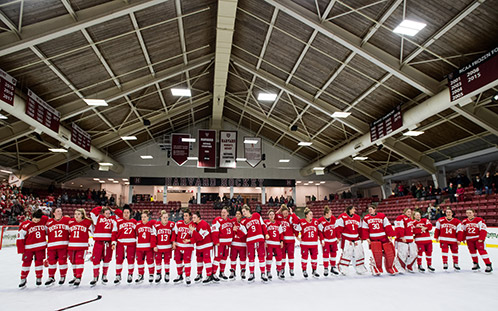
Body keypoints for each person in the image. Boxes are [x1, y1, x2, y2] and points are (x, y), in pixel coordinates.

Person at [361, 205, 397, 275]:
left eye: (371, 209)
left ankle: (390, 267)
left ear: (375, 209)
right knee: (377, 254)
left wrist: (390, 235)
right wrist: (366, 238)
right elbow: (365, 229)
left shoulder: (382, 216)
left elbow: (387, 225)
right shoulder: (366, 218)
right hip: (373, 239)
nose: (370, 211)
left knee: (390, 254)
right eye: (369, 209)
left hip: (383, 238)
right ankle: (376, 268)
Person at [16, 209, 48, 288]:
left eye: (38, 219)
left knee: (39, 263)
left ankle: (39, 277)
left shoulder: (43, 221)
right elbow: (20, 238)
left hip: (40, 247)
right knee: (26, 263)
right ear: (31, 217)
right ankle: (23, 278)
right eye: (34, 219)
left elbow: (45, 217)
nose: (36, 221)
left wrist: (40, 212)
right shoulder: (25, 225)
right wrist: (21, 250)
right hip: (28, 248)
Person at [236, 205, 269, 282]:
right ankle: (251, 273)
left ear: (248, 210)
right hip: (250, 241)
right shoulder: (243, 221)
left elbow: (263, 225)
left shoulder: (256, 215)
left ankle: (263, 273)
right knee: (251, 257)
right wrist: (237, 230)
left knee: (261, 256)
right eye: (242, 212)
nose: (243, 213)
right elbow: (243, 234)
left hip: (259, 239)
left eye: (244, 211)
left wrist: (266, 233)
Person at [90, 205, 118, 286]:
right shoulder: (98, 218)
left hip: (108, 242)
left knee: (107, 259)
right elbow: (92, 212)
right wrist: (101, 207)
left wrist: (113, 242)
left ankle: (104, 275)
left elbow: (119, 215)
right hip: (98, 242)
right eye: (106, 213)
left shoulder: (113, 219)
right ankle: (95, 276)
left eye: (109, 213)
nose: (108, 215)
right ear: (103, 213)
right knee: (96, 259)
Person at [335, 206, 367, 275]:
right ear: (349, 210)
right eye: (353, 209)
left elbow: (360, 228)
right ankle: (342, 267)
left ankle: (359, 267)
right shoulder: (342, 216)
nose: (355, 210)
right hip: (346, 238)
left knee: (358, 253)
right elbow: (338, 227)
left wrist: (361, 237)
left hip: (356, 238)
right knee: (346, 253)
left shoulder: (357, 217)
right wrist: (338, 236)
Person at [45, 206, 71, 286]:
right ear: (54, 213)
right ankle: (51, 277)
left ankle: (62, 276)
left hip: (63, 245)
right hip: (52, 246)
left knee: (62, 262)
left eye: (60, 211)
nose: (60, 212)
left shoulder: (67, 220)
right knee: (51, 262)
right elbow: (45, 232)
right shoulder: (48, 222)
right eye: (58, 211)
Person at [461, 209, 493, 273]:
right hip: (469, 239)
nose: (468, 214)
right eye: (467, 213)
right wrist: (463, 238)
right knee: (472, 252)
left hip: (477, 238)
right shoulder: (464, 221)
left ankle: (488, 264)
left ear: (473, 213)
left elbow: (483, 229)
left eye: (470, 213)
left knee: (482, 251)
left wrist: (481, 238)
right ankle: (475, 263)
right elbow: (463, 230)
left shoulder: (479, 220)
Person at [67, 208, 93, 286]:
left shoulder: (87, 222)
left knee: (79, 261)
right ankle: (75, 276)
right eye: (75, 214)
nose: (76, 216)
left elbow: (93, 231)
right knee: (73, 261)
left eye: (78, 214)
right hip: (71, 245)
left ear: (82, 215)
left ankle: (79, 277)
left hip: (82, 245)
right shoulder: (71, 222)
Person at [113, 205, 137, 284]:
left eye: (127, 212)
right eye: (124, 212)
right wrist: (113, 242)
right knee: (119, 259)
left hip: (131, 243)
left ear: (130, 213)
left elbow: (137, 233)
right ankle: (118, 274)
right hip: (121, 243)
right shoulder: (118, 221)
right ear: (122, 213)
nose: (126, 214)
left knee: (131, 259)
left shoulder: (134, 222)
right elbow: (114, 233)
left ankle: (130, 274)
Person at [191, 211, 216, 284]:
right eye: (192, 217)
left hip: (206, 246)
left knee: (206, 260)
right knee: (199, 260)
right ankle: (199, 274)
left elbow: (200, 237)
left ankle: (209, 275)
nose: (193, 219)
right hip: (199, 247)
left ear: (199, 218)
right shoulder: (195, 224)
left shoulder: (204, 225)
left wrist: (193, 231)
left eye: (194, 217)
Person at [295, 208, 320, 278]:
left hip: (314, 243)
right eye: (310, 214)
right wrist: (297, 236)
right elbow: (296, 229)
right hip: (305, 244)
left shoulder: (315, 221)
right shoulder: (302, 222)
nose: (312, 215)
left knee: (314, 257)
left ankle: (314, 270)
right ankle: (304, 270)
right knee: (304, 257)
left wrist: (319, 236)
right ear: (306, 215)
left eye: (312, 214)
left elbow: (319, 230)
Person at [172, 208, 195, 285]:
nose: (185, 217)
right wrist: (173, 242)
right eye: (184, 215)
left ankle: (187, 276)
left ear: (190, 216)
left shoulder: (192, 225)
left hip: (188, 247)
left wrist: (189, 240)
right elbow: (174, 234)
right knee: (178, 261)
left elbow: (195, 237)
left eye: (186, 216)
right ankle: (179, 275)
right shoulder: (178, 223)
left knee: (187, 262)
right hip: (178, 246)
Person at [275, 204, 299, 276]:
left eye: (286, 213)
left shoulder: (290, 218)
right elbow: (274, 217)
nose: (285, 214)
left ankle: (291, 269)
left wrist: (292, 213)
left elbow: (297, 221)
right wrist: (279, 210)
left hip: (290, 240)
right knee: (283, 256)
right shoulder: (280, 218)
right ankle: (282, 269)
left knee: (291, 256)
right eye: (284, 213)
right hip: (283, 241)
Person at [152, 210, 175, 283]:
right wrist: (154, 245)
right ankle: (158, 274)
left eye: (166, 217)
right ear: (161, 218)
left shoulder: (171, 225)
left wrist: (173, 242)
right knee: (158, 261)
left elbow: (173, 234)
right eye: (164, 217)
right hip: (159, 247)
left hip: (167, 247)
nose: (165, 219)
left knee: (167, 261)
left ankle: (167, 273)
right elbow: (153, 236)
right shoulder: (156, 225)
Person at [211, 207, 234, 280]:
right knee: (218, 257)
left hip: (227, 244)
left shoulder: (229, 221)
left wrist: (230, 241)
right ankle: (213, 273)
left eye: (224, 212)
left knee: (224, 258)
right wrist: (216, 241)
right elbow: (214, 231)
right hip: (219, 243)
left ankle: (222, 272)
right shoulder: (217, 220)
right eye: (222, 212)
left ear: (228, 213)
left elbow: (232, 232)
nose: (223, 214)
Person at [135, 210, 156, 283]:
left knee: (150, 261)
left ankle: (151, 274)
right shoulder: (137, 225)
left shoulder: (151, 224)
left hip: (149, 247)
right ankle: (141, 274)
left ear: (148, 218)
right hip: (139, 247)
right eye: (142, 217)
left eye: (144, 217)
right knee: (140, 262)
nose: (143, 218)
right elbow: (136, 234)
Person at [394, 208, 418, 273]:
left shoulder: (410, 219)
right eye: (408, 212)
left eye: (410, 212)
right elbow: (399, 228)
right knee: (402, 254)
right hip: (402, 240)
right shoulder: (400, 217)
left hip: (410, 239)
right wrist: (402, 236)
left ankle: (409, 266)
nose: (409, 213)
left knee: (414, 253)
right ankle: (399, 267)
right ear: (404, 212)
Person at [318, 206, 339, 276]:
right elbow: (320, 232)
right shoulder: (321, 220)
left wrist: (338, 237)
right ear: (326, 213)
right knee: (326, 254)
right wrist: (322, 240)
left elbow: (336, 228)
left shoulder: (333, 218)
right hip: (326, 240)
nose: (331, 213)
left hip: (333, 240)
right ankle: (326, 268)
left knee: (333, 254)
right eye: (330, 212)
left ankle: (333, 267)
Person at [264, 209, 284, 279]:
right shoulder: (266, 222)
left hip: (277, 243)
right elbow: (264, 232)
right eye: (270, 215)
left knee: (279, 257)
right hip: (269, 243)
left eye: (273, 214)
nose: (272, 216)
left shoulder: (278, 223)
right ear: (268, 216)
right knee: (269, 258)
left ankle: (279, 270)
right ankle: (268, 271)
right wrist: (265, 241)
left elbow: (281, 233)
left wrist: (281, 241)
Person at [229, 210, 247, 280]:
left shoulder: (244, 223)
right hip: (234, 244)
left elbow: (244, 234)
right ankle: (232, 271)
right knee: (233, 258)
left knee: (243, 258)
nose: (237, 215)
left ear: (241, 215)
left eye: (239, 214)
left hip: (242, 244)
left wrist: (237, 231)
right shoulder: (233, 222)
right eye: (236, 214)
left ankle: (243, 271)